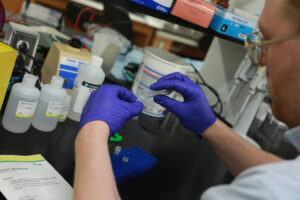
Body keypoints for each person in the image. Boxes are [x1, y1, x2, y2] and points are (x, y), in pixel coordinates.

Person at [73, 0, 300, 199]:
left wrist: (92, 133)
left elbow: (276, 184)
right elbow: (283, 172)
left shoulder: (268, 192)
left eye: (268, 40)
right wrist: (210, 125)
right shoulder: (286, 180)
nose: (260, 59)